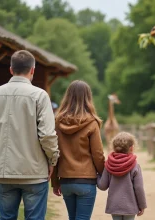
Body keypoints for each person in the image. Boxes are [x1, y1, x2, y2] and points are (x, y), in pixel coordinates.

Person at [0, 50, 59, 220]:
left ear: (11, 70)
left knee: (6, 217)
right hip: (35, 172)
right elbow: (47, 135)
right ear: (32, 70)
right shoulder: (40, 96)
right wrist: (52, 160)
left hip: (4, 171)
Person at [51, 80, 105, 220]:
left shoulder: (57, 122)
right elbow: (98, 154)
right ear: (88, 97)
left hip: (65, 180)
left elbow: (53, 153)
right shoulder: (92, 123)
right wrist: (103, 175)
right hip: (86, 180)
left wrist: (55, 182)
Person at [97, 132, 147, 220]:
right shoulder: (135, 166)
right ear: (131, 148)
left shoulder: (108, 164)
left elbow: (102, 186)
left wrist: (96, 175)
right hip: (130, 206)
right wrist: (142, 205)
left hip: (114, 206)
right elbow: (139, 188)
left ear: (114, 148)